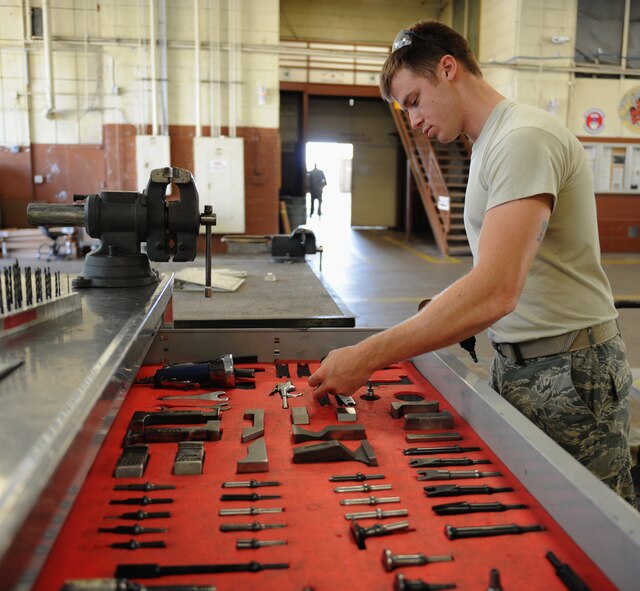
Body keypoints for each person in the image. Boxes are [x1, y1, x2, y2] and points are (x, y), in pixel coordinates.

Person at [308, 20, 636, 507]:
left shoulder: (523, 138)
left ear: (447, 68)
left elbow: (497, 290)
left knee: (598, 531)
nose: (413, 120)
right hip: (521, 360)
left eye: (415, 100)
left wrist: (368, 356)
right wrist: (439, 308)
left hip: (570, 369)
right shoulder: (488, 146)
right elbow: (500, 267)